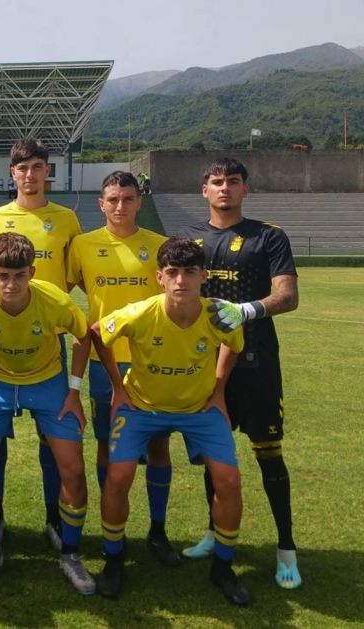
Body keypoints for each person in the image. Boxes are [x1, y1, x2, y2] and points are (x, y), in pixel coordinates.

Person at [91, 236, 249, 605]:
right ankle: (113, 560)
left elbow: (233, 343)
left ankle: (223, 568)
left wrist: (219, 390)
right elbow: (99, 333)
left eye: (189, 273)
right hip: (142, 407)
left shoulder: (218, 314)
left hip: (199, 410)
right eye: (173, 273)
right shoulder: (142, 312)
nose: (181, 281)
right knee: (118, 476)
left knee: (229, 481)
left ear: (203, 276)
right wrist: (119, 388)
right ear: (159, 277)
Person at [179, 158, 301, 589]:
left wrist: (247, 310)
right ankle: (214, 534)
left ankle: (286, 547)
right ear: (204, 189)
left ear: (245, 189)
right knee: (215, 458)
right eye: (216, 181)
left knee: (269, 455)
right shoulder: (190, 239)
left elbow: (288, 296)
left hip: (258, 364)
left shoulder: (268, 236)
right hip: (207, 368)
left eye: (233, 181)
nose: (224, 188)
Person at [0, 233, 93, 594]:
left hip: (48, 385)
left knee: (74, 471)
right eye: (3, 275)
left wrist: (74, 391)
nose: (11, 284)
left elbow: (83, 336)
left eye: (19, 275)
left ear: (32, 271)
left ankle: (72, 554)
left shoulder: (55, 301)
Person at [66, 171, 179, 567]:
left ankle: (158, 530)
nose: (120, 206)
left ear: (138, 201)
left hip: (154, 362)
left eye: (127, 199)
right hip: (105, 362)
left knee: (158, 445)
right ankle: (111, 528)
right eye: (112, 199)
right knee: (107, 446)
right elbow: (75, 290)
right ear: (101, 203)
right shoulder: (82, 245)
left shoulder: (160, 246)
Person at [0, 137, 81, 550]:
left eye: (38, 167)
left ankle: (55, 520)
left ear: (47, 171)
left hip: (49, 343)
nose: (30, 175)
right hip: (1, 346)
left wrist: (47, 309)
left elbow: (71, 277)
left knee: (52, 440)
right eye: (22, 168)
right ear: (12, 173)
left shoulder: (67, 220)